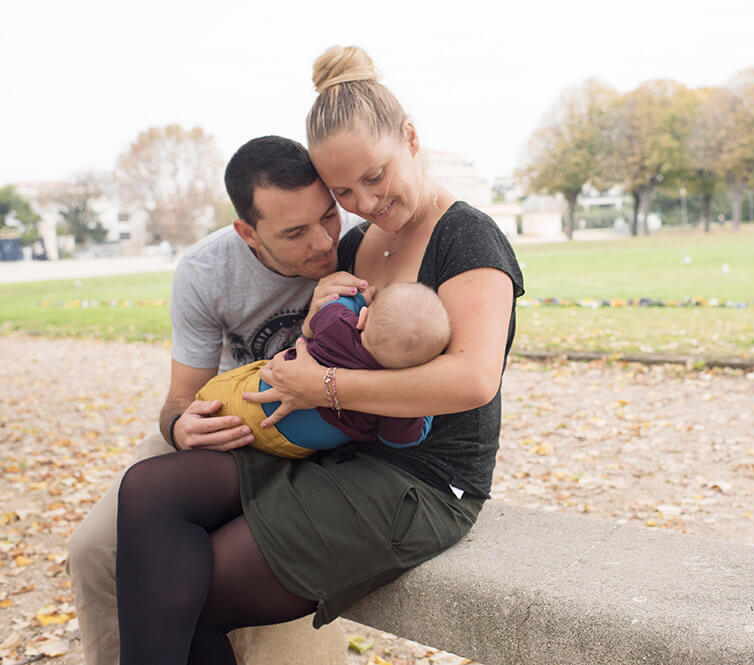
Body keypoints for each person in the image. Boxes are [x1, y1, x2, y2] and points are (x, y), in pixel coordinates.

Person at [113, 44, 524, 665]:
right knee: (150, 490)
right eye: (343, 191)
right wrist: (312, 327)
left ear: (411, 138)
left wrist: (321, 386)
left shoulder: (467, 238)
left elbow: (471, 380)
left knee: (193, 586)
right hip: (337, 449)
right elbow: (332, 341)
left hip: (422, 481)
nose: (364, 201)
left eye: (375, 176)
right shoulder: (357, 243)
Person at [67, 135, 366, 665]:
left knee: (251, 587)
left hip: (314, 443)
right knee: (93, 549)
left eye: (327, 216)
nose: (323, 242)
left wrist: (325, 327)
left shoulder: (361, 249)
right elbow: (178, 401)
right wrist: (180, 427)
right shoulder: (206, 271)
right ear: (247, 233)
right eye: (295, 232)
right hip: (227, 429)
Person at [195, 282, 450, 459]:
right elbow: (400, 439)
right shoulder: (388, 397)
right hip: (288, 446)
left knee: (212, 398)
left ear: (363, 318)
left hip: (254, 391)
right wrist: (425, 410)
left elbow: (327, 307)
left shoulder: (337, 324)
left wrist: (358, 299)